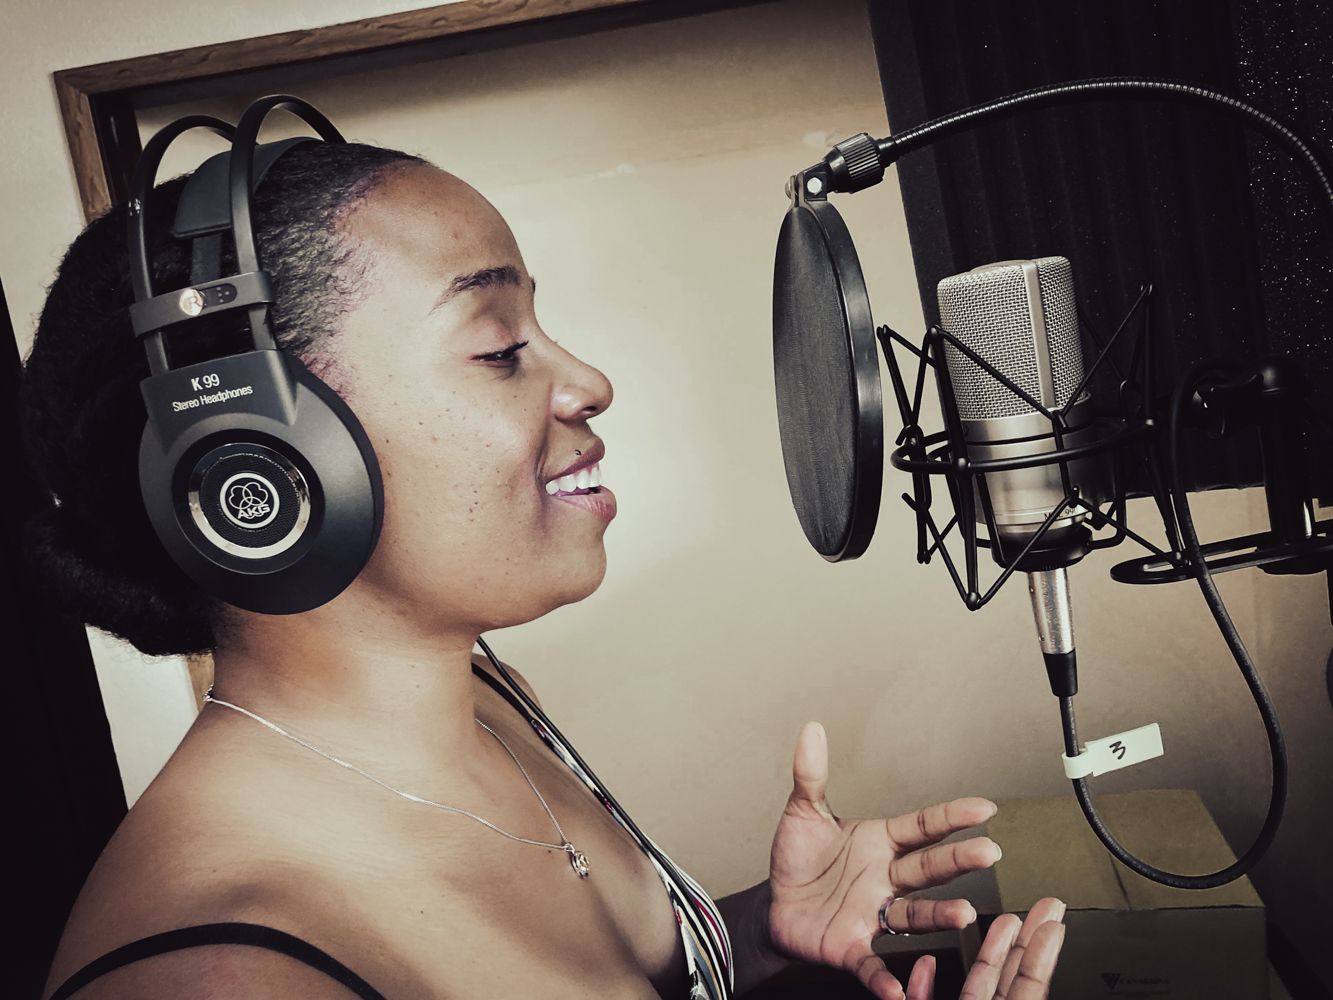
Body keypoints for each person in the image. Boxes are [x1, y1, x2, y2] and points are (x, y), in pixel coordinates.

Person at [23, 134, 1067, 999]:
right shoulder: (217, 978)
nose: (589, 381)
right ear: (256, 456)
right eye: (497, 346)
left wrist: (752, 936)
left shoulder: (490, 697)